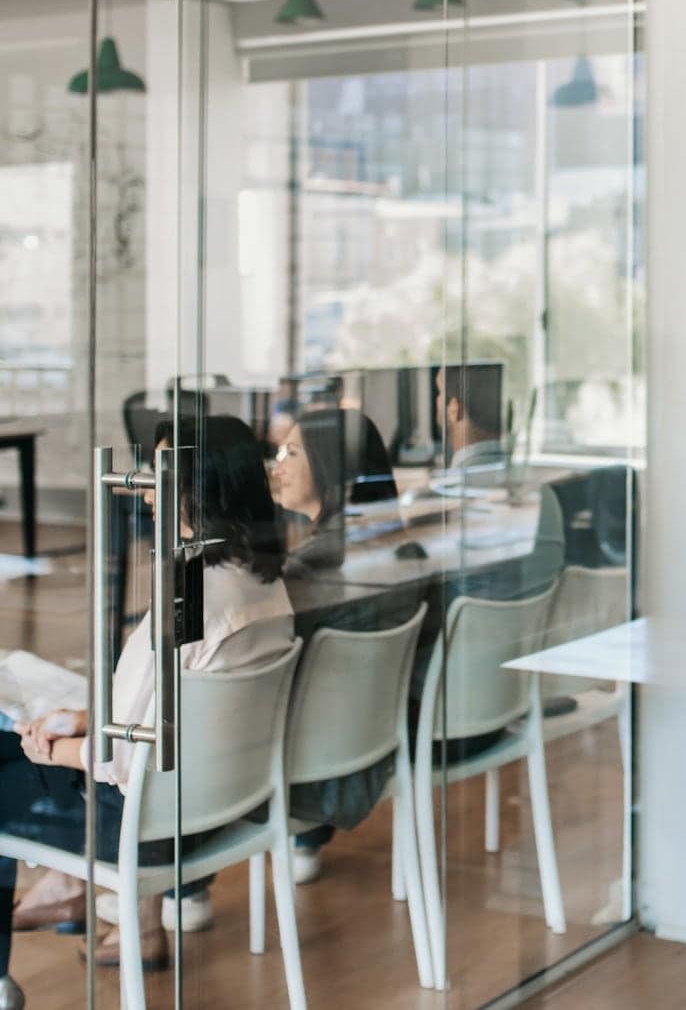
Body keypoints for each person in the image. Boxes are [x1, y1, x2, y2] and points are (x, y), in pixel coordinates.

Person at [0, 415, 295, 995]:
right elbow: (164, 715)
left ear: (200, 487)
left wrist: (56, 747)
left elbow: (127, 762)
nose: (146, 489)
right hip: (223, 809)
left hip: (143, 826)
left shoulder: (188, 593)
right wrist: (81, 724)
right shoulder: (266, 586)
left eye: (163, 473)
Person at [269, 407, 400, 882]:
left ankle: (183, 889)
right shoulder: (400, 545)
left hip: (316, 770)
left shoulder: (312, 567)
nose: (277, 464)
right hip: (373, 747)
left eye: (292, 452)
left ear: (330, 469)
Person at [272, 407, 400, 577]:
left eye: (292, 453)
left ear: (327, 463)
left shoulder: (306, 564)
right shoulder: (391, 541)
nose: (277, 471)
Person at [435, 363, 505, 471]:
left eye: (439, 392)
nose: (437, 400)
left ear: (455, 409)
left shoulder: (449, 483)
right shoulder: (509, 470)